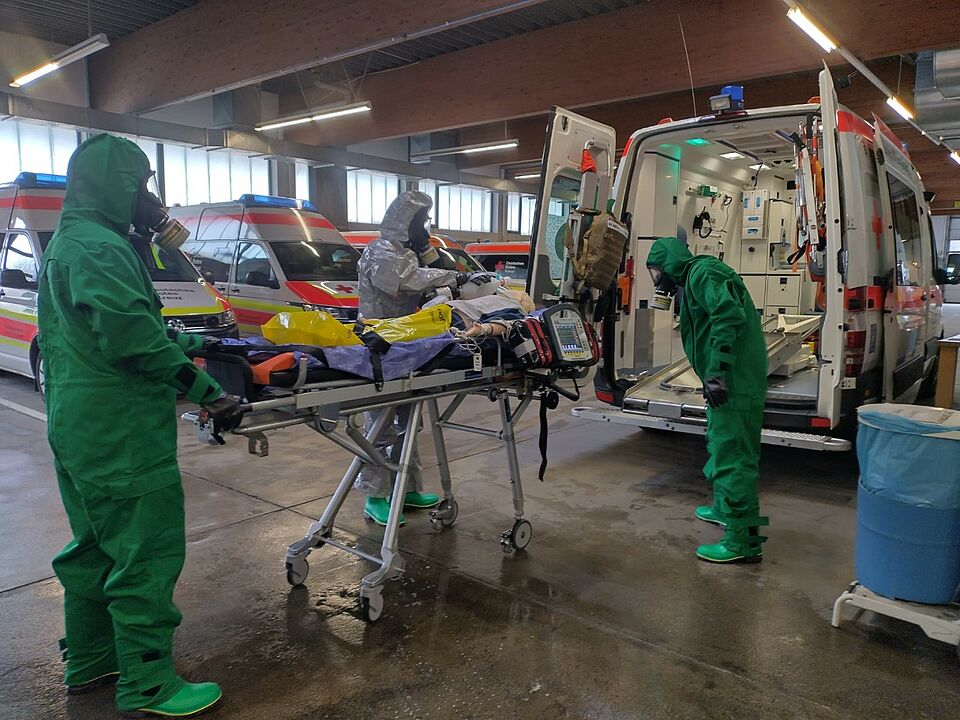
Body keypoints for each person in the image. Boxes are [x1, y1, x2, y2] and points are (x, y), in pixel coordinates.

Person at [38, 134, 242, 717]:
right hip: (121, 431)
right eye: (142, 185)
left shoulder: (72, 241)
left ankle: (91, 659)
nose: (150, 199)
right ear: (116, 185)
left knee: (94, 549)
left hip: (79, 425)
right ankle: (148, 682)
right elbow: (133, 343)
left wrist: (195, 342)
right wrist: (211, 395)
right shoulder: (101, 249)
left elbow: (117, 324)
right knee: (144, 553)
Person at [645, 236, 768, 563]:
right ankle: (724, 508)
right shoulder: (695, 277)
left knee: (734, 457)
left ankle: (743, 542)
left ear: (667, 265)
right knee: (720, 443)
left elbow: (727, 317)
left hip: (734, 381)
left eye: (656, 271)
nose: (657, 280)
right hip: (729, 380)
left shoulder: (703, 273)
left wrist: (717, 373)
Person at [355, 190, 467, 525]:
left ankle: (407, 488)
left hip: (405, 343)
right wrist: (452, 276)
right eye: (423, 220)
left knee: (409, 422)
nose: (426, 226)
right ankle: (375, 496)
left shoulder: (407, 252)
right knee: (380, 424)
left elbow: (423, 281)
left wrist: (444, 271)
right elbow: (405, 281)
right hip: (378, 342)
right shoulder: (380, 250)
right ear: (406, 221)